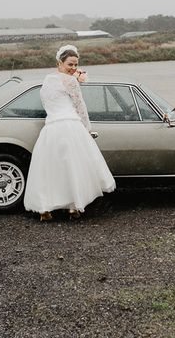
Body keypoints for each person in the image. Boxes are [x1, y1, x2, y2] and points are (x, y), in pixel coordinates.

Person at [24, 44, 115, 221]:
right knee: (73, 167)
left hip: (50, 129)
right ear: (60, 62)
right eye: (70, 64)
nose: (73, 68)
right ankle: (73, 206)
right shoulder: (70, 81)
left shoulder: (48, 79)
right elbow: (80, 106)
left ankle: (45, 209)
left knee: (50, 169)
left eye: (76, 65)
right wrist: (87, 129)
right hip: (69, 126)